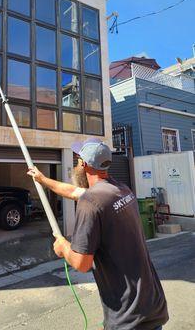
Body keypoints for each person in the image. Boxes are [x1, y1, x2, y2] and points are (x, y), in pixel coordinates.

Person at [27, 138, 168, 330]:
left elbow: (81, 263)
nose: (77, 162)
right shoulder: (121, 190)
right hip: (152, 306)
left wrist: (63, 247)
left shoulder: (91, 202)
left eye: (78, 158)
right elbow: (74, 191)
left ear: (83, 164)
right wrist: (42, 180)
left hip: (128, 318)